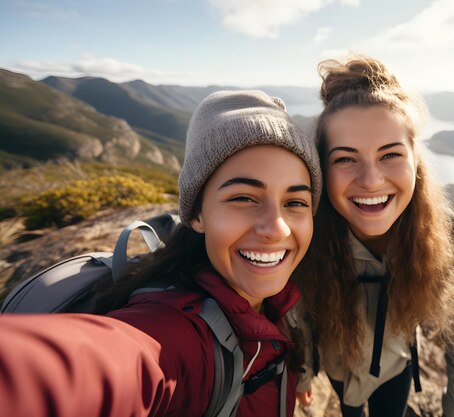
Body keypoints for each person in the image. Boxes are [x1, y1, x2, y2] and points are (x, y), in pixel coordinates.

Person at [0, 90, 322, 417]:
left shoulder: (283, 298)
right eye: (243, 198)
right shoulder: (172, 333)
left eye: (295, 202)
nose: (277, 228)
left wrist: (299, 379)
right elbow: (93, 368)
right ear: (197, 216)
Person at [295, 56, 454, 417]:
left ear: (415, 161)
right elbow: (300, 315)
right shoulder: (307, 237)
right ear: (322, 168)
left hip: (397, 370)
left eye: (390, 155)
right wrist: (303, 375)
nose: (371, 180)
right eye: (345, 159)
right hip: (340, 370)